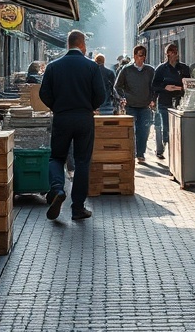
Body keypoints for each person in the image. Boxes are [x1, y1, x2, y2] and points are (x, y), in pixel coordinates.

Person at [38, 30, 106, 221]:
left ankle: (58, 189)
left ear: (68, 44)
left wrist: (57, 107)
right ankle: (77, 208)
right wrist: (89, 106)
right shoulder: (92, 67)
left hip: (62, 117)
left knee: (57, 158)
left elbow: (44, 94)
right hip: (84, 118)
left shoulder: (53, 67)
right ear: (82, 44)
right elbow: (100, 95)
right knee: (82, 161)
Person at [114, 46, 156, 163]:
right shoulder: (126, 70)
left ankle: (140, 154)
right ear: (134, 56)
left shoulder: (150, 71)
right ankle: (130, 152)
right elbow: (117, 86)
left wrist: (153, 99)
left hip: (145, 106)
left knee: (144, 130)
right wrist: (122, 98)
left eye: (141, 55)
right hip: (130, 105)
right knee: (131, 131)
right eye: (137, 55)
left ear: (145, 57)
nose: (139, 58)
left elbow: (154, 87)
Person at [151, 43, 189, 160]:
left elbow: (190, 83)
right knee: (166, 127)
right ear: (167, 54)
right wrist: (165, 88)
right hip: (164, 101)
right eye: (172, 52)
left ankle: (175, 151)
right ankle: (166, 149)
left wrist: (181, 88)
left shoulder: (183, 68)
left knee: (179, 128)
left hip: (180, 102)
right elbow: (154, 86)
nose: (175, 55)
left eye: (176, 52)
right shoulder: (161, 69)